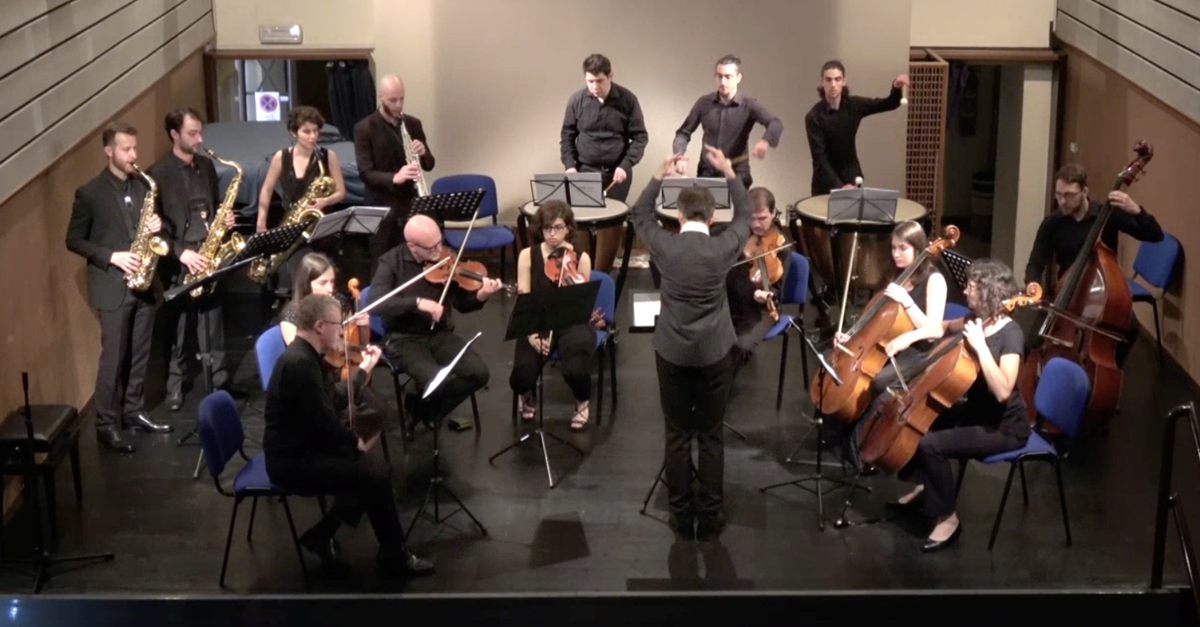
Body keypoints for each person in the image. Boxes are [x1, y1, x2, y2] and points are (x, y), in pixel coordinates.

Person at [629, 145, 751, 541]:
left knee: (678, 434)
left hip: (673, 352)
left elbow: (639, 214)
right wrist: (729, 172)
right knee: (711, 436)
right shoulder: (722, 247)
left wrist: (659, 174)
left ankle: (681, 516)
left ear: (679, 216)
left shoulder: (665, 246)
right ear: (712, 218)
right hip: (715, 352)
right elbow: (746, 215)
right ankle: (711, 517)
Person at [263, 293, 433, 577]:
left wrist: (362, 370)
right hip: (292, 462)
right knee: (375, 473)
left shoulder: (308, 357)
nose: (343, 332)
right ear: (320, 326)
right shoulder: (299, 364)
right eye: (338, 325)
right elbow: (324, 422)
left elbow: (334, 400)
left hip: (305, 447)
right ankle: (394, 556)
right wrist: (353, 443)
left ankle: (323, 536)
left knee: (372, 471)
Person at [888, 259, 1030, 552]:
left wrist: (980, 347)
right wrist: (911, 336)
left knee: (931, 445)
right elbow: (941, 327)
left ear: (989, 291)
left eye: (971, 287)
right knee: (925, 418)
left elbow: (1003, 390)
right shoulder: (975, 320)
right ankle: (926, 487)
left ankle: (948, 518)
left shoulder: (1011, 334)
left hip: (1004, 426)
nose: (964, 291)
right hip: (977, 412)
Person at [65, 122, 173, 454]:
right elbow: (73, 240)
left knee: (140, 353)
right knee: (113, 357)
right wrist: (112, 256)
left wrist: (158, 225)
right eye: (126, 149)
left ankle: (134, 411)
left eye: (134, 148)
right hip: (113, 286)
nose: (133, 155)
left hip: (144, 283)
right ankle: (105, 425)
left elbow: (156, 229)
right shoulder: (89, 193)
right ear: (109, 151)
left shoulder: (142, 186)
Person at [367, 215, 502, 433]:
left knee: (478, 373)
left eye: (440, 242)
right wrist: (416, 303)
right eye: (431, 248)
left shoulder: (446, 258)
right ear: (412, 246)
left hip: (440, 335)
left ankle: (421, 409)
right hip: (404, 339)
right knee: (436, 381)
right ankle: (428, 408)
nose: (439, 250)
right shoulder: (391, 263)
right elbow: (376, 303)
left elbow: (462, 304)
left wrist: (481, 296)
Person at [1024, 163, 1163, 365]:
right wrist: (1033, 285)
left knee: (1131, 329)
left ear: (1085, 192)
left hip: (1102, 295)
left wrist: (1137, 211)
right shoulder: (1052, 224)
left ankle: (1106, 368)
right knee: (1031, 346)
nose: (1062, 201)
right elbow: (1035, 264)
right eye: (1058, 195)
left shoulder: (1107, 216)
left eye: (1069, 195)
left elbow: (1155, 235)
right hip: (1066, 294)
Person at [148, 107, 235, 412]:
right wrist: (181, 252)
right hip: (180, 259)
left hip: (208, 253)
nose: (199, 139)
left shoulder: (207, 166)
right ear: (174, 134)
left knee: (213, 322)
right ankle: (175, 385)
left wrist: (223, 221)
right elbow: (153, 230)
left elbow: (212, 206)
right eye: (192, 133)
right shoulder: (157, 174)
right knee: (180, 326)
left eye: (200, 132)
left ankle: (220, 380)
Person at [834, 220, 948, 418]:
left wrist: (907, 301)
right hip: (886, 343)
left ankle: (861, 429)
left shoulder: (934, 280)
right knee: (837, 365)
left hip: (917, 351)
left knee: (877, 381)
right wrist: (852, 337)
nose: (896, 254)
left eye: (903, 248)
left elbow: (932, 332)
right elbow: (876, 316)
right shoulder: (895, 274)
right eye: (893, 248)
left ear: (918, 248)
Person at [510, 201, 596, 430]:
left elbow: (582, 302)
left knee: (575, 369)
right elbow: (524, 299)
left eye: (558, 228)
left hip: (572, 322)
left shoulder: (581, 258)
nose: (552, 234)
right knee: (520, 377)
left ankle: (582, 400)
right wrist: (530, 334)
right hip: (537, 321)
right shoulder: (528, 255)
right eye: (547, 228)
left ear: (568, 228)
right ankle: (526, 395)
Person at [275, 252, 383, 434]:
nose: (330, 289)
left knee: (375, 409)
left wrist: (361, 326)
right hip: (317, 379)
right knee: (356, 414)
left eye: (332, 282)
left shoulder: (339, 301)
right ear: (307, 284)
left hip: (340, 371)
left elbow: (347, 336)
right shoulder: (292, 315)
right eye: (323, 283)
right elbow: (305, 354)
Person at [256, 106, 347, 295]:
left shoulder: (328, 156)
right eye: (306, 131)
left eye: (315, 131)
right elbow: (266, 190)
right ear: (294, 132)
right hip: (294, 227)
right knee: (300, 282)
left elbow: (341, 192)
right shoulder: (281, 157)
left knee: (324, 281)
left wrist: (324, 202)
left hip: (321, 229)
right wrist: (261, 223)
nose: (312, 137)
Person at [354, 75, 434, 265]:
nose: (398, 105)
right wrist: (394, 177)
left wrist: (423, 152)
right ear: (380, 96)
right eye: (392, 100)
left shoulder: (413, 124)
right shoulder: (364, 128)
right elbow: (365, 173)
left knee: (412, 261)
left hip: (409, 203)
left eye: (401, 98)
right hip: (381, 207)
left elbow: (429, 164)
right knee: (382, 262)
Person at [672, 54, 783, 189]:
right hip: (707, 173)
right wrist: (679, 156)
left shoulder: (749, 104)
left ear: (738, 78)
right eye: (719, 76)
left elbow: (775, 123)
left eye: (728, 77)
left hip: (737, 174)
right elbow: (683, 133)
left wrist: (765, 141)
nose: (723, 82)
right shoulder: (703, 103)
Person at [805, 60, 909, 195]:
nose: (833, 85)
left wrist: (896, 86)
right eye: (828, 80)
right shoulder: (814, 117)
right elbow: (820, 159)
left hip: (852, 178)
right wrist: (839, 186)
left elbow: (888, 104)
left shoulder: (853, 105)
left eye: (837, 79)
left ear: (844, 81)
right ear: (822, 82)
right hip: (825, 184)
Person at [560, 53, 648, 203]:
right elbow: (567, 136)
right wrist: (570, 165)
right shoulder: (576, 101)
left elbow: (640, 138)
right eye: (590, 81)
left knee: (614, 216)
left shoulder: (628, 100)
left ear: (610, 76)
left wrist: (625, 165)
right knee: (586, 214)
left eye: (600, 81)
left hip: (617, 172)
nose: (595, 87)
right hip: (585, 171)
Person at [724, 187, 791, 372]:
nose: (756, 224)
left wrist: (766, 294)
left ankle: (722, 384)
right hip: (734, 303)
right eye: (751, 218)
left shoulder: (781, 246)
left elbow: (778, 289)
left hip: (761, 311)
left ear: (773, 213)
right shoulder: (739, 236)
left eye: (762, 218)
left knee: (741, 346)